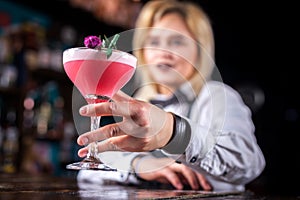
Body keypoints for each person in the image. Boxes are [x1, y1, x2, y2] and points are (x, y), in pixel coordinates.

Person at [76, 0, 265, 192]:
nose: (164, 52)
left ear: (200, 51)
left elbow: (249, 164)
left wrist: (175, 133)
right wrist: (140, 165)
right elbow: (89, 170)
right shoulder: (142, 102)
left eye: (177, 41)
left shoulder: (218, 95)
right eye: (154, 41)